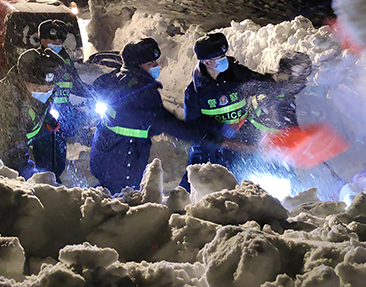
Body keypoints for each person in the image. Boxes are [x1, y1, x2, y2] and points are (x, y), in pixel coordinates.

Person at [89, 37, 221, 194]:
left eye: (155, 62)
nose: (156, 66)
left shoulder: (116, 78)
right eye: (150, 64)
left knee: (106, 194)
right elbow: (165, 122)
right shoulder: (140, 89)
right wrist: (203, 136)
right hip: (124, 159)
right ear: (137, 65)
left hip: (106, 152)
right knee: (120, 201)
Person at [0, 19, 89, 179]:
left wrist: (48, 118)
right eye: (39, 88)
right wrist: (36, 181)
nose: (45, 92)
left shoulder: (41, 84)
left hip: (11, 151)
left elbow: (44, 102)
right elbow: (15, 159)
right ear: (24, 82)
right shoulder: (10, 108)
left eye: (48, 88)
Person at [180, 32, 273, 190]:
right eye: (220, 57)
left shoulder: (237, 74)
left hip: (240, 142)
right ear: (207, 62)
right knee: (196, 186)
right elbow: (193, 126)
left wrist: (279, 81)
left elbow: (261, 83)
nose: (225, 60)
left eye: (224, 54)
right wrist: (219, 129)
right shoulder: (195, 92)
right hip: (210, 148)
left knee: (244, 185)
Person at [16, 19, 91, 177]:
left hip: (61, 115)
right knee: (43, 151)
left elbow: (75, 82)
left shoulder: (64, 59)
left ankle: (55, 178)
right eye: (52, 41)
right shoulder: (35, 62)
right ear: (42, 41)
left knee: (59, 152)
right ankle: (44, 180)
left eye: (59, 41)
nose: (57, 44)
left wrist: (91, 94)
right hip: (41, 114)